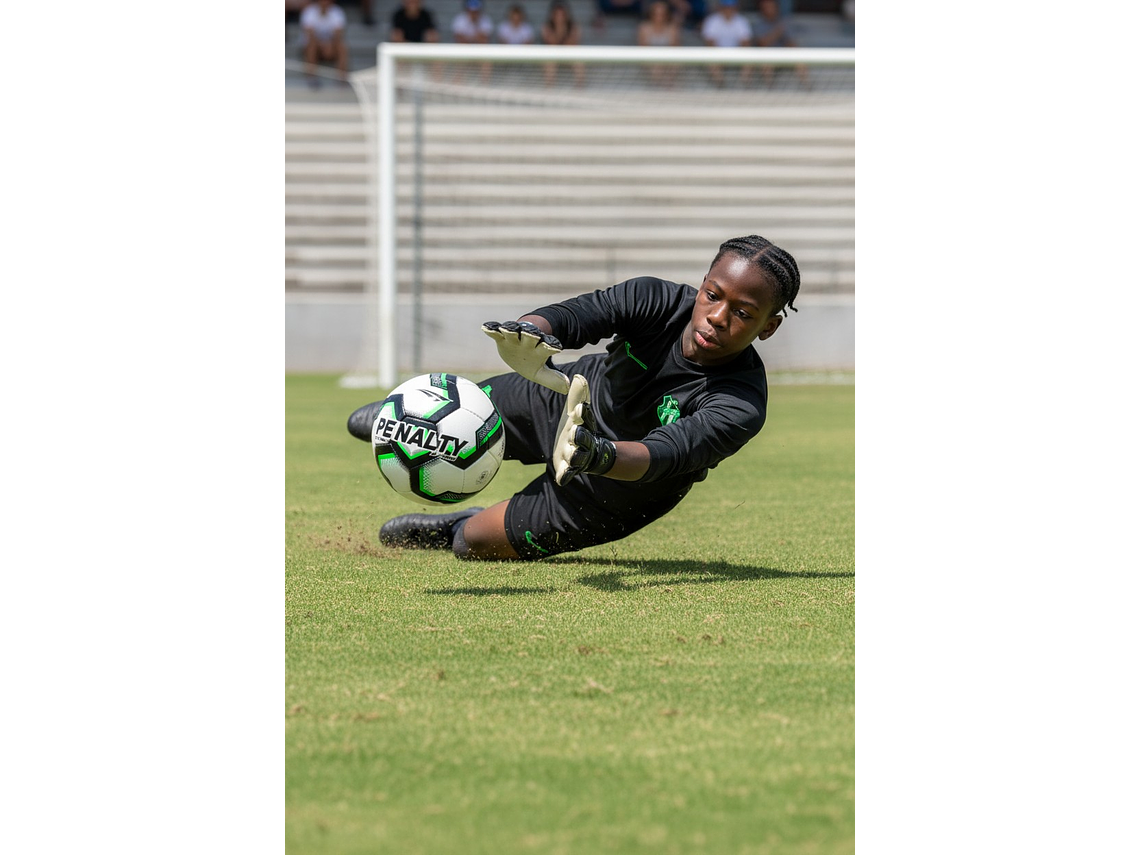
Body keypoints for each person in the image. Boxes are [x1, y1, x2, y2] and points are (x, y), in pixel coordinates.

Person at [346, 235, 801, 562]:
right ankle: (401, 419)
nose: (718, 317)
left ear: (768, 326)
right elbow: (582, 315)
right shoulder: (656, 299)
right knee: (430, 420)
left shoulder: (741, 400)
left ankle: (459, 523)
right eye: (713, 295)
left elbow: (665, 454)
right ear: (702, 285)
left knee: (474, 544)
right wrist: (531, 330)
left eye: (743, 313)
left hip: (614, 489)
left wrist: (597, 455)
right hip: (563, 397)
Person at [752, 0, 810, 87]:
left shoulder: (783, 22)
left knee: (799, 56)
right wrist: (778, 32)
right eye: (767, 7)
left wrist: (790, 44)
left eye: (772, 7)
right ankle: (769, 90)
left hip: (783, 55)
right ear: (762, 9)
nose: (770, 9)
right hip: (767, 57)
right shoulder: (759, 25)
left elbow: (791, 43)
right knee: (766, 62)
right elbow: (762, 43)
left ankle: (807, 88)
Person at [700, 0, 752, 87]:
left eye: (731, 7)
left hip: (737, 54)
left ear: (735, 8)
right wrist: (721, 56)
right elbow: (710, 43)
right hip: (717, 54)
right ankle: (721, 87)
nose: (729, 10)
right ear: (721, 7)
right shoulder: (712, 21)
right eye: (726, 7)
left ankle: (744, 87)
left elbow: (745, 43)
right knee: (711, 59)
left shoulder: (741, 21)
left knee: (749, 59)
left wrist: (736, 54)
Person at [300, 0, 350, 84]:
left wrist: (328, 45)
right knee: (312, 44)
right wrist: (322, 44)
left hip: (331, 45)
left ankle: (342, 77)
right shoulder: (309, 11)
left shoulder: (337, 11)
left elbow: (339, 33)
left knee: (342, 46)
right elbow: (309, 33)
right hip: (314, 46)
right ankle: (311, 76)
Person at [541, 0, 586, 87]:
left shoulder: (574, 26)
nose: (560, 17)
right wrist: (559, 28)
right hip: (553, 56)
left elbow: (573, 43)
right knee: (549, 62)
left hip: (568, 55)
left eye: (562, 14)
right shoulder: (546, 27)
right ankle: (549, 88)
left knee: (579, 62)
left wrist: (563, 28)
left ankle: (580, 88)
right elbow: (551, 43)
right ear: (552, 15)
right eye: (557, 14)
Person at [637, 0, 681, 87]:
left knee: (675, 65)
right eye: (656, 14)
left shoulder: (673, 29)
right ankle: (660, 88)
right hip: (650, 59)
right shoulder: (644, 28)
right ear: (651, 14)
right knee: (656, 67)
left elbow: (675, 48)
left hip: (668, 58)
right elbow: (643, 49)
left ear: (667, 15)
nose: (659, 17)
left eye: (662, 14)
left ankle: (667, 88)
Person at [450, 0, 494, 82]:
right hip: (464, 52)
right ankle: (458, 86)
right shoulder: (460, 19)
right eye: (471, 11)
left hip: (479, 52)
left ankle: (484, 86)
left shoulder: (485, 19)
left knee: (486, 60)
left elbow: (484, 40)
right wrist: (475, 38)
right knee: (460, 55)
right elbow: (459, 39)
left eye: (476, 11)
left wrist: (476, 25)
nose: (474, 13)